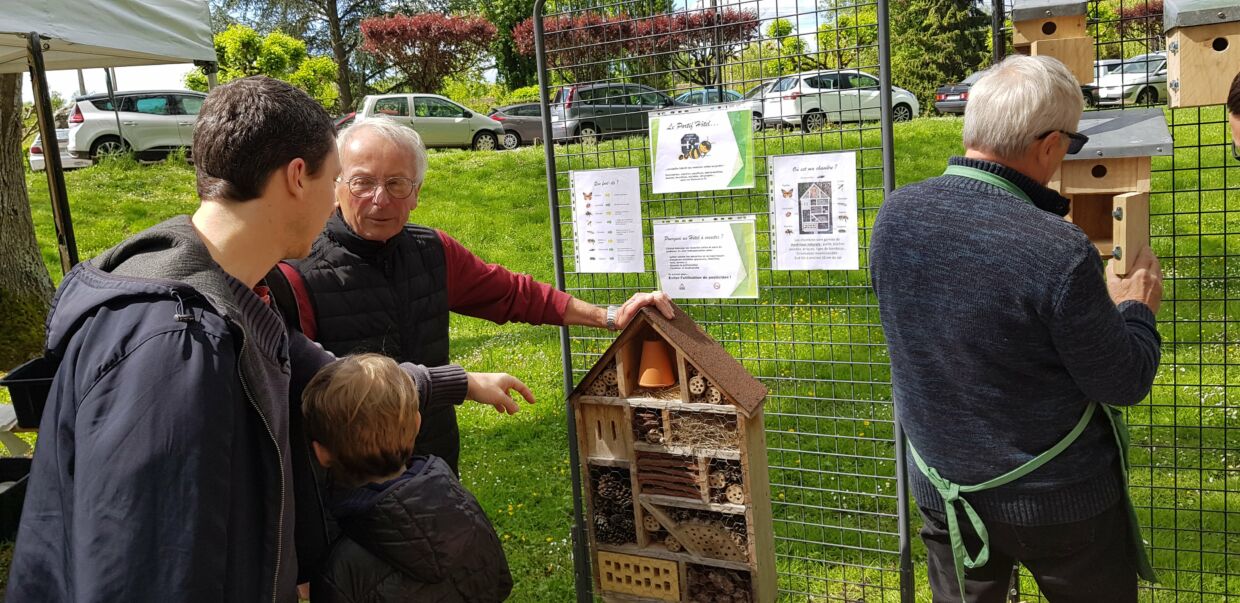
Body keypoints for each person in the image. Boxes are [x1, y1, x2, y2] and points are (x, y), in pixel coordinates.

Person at [6, 77, 530, 602]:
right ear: (298, 177)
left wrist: (457, 381)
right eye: (337, 181)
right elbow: (142, 573)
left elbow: (334, 375)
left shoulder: (227, 302)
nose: (335, 205)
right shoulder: (176, 345)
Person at [870, 55, 1164, 602]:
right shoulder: (1059, 249)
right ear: (1049, 145)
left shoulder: (895, 216)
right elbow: (1123, 382)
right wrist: (1136, 308)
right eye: (1072, 145)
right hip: (1060, 504)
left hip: (944, 493)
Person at [267, 118, 674, 473]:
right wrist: (459, 383)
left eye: (396, 184)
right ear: (337, 185)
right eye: (363, 182)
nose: (380, 198)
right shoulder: (295, 272)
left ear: (417, 192)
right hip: (344, 473)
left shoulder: (433, 251)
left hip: (432, 457)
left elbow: (514, 294)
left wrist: (608, 315)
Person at [302, 354, 512, 602]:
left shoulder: (337, 568)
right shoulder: (461, 503)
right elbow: (498, 579)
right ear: (417, 424)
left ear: (321, 453)